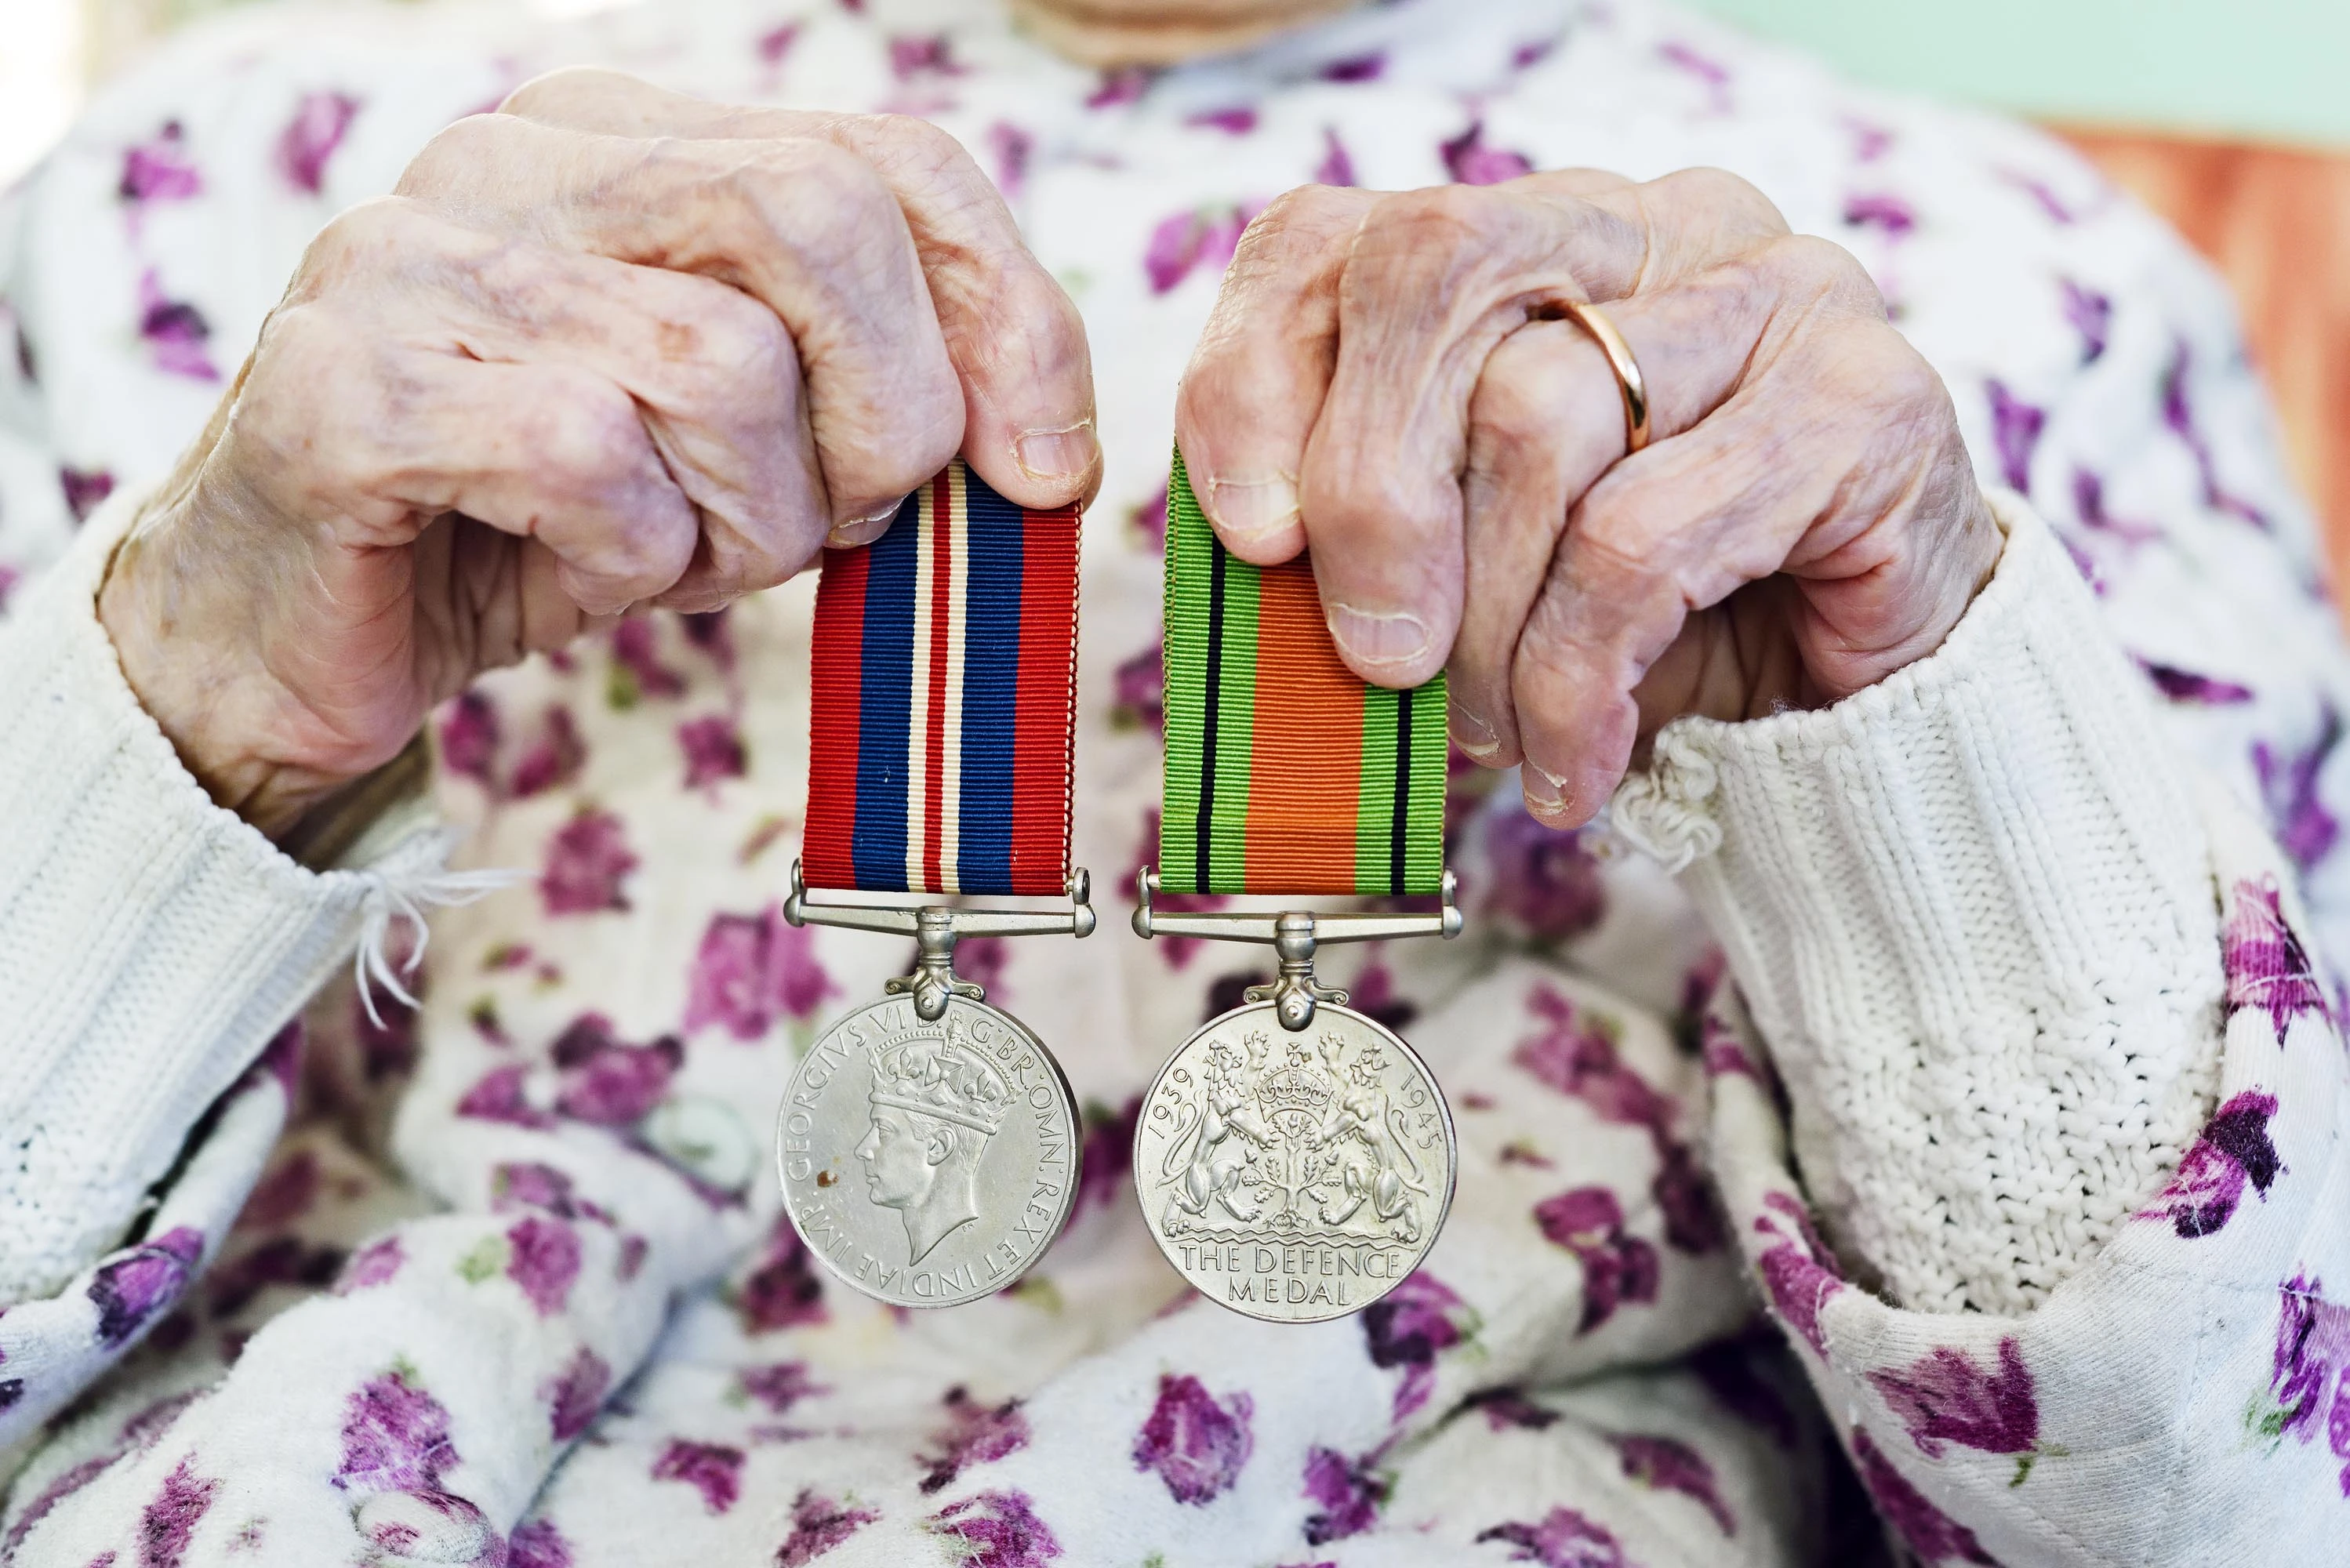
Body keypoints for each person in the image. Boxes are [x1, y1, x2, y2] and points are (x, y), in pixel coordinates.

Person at [1, 0, 2345, 1563]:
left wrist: (1912, 721)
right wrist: (196, 688)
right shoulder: (203, 202)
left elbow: (2231, 1509)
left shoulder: (2014, 286)